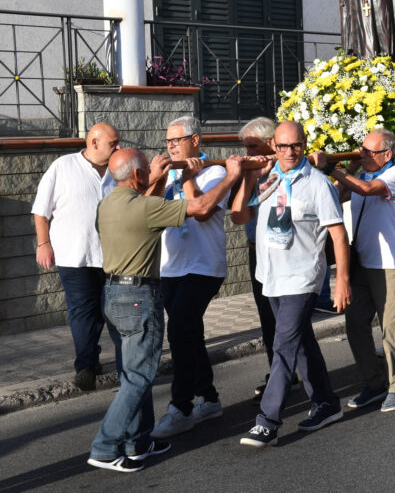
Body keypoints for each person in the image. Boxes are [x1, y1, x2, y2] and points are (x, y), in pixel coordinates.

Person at [88, 148, 241, 472]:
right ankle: (104, 448)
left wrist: (155, 180)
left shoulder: (106, 204)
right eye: (147, 168)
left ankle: (139, 441)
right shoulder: (144, 208)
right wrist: (231, 175)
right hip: (138, 296)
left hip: (112, 294)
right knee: (138, 378)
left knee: (132, 373)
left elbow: (147, 207)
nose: (151, 171)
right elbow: (201, 207)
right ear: (137, 175)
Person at [231, 122, 350, 447]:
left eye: (295, 145)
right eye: (282, 146)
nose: (289, 152)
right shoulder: (267, 179)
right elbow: (239, 217)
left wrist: (341, 280)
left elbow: (338, 235)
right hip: (271, 276)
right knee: (300, 342)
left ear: (304, 144)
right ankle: (326, 402)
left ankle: (267, 421)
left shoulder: (318, 184)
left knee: (283, 345)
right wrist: (249, 178)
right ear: (273, 145)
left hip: (302, 277)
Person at [145, 117, 228, 439]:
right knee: (190, 334)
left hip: (203, 266)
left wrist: (189, 178)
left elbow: (201, 210)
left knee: (179, 330)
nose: (171, 146)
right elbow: (147, 208)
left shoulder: (215, 172)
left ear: (195, 140)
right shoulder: (170, 173)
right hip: (171, 266)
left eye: (176, 140)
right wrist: (157, 178)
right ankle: (209, 397)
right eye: (167, 141)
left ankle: (181, 407)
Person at [320, 129, 395, 412]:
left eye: (370, 152)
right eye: (362, 149)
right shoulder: (361, 175)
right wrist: (348, 169)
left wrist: (332, 169)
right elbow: (336, 197)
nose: (363, 154)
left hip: (389, 264)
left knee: (390, 329)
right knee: (355, 324)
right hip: (361, 261)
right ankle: (373, 382)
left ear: (388, 154)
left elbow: (368, 190)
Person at [32, 122, 122, 392]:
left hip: (113, 257)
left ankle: (120, 363)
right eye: (113, 143)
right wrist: (43, 243)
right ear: (94, 142)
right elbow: (41, 211)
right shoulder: (63, 167)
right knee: (83, 313)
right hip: (75, 256)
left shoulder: (119, 170)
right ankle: (85, 366)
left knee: (110, 312)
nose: (118, 147)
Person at [238, 117, 290, 400]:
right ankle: (279, 371)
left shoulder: (284, 170)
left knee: (287, 318)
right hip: (256, 251)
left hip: (281, 251)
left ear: (271, 143)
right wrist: (248, 177)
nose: (248, 153)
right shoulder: (249, 172)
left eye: (252, 146)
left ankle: (290, 374)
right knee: (267, 316)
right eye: (246, 147)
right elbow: (239, 213)